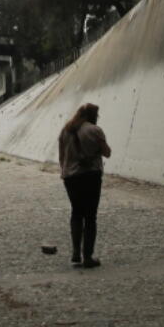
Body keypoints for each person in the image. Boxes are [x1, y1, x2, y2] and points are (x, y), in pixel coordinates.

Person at [58, 102, 111, 268]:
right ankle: (87, 256)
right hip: (90, 176)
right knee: (90, 216)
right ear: (92, 116)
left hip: (70, 178)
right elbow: (107, 153)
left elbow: (61, 157)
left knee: (76, 213)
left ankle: (75, 252)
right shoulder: (94, 130)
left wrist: (67, 172)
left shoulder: (65, 130)